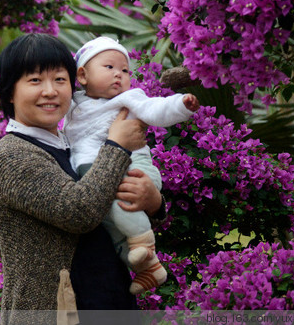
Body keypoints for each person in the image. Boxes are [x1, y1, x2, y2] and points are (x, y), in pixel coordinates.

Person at [0, 33, 165, 325]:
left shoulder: (71, 143)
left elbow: (110, 201)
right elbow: (78, 212)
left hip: (108, 299)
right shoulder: (12, 156)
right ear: (9, 91)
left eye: (59, 79)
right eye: (34, 81)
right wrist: (116, 146)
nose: (50, 91)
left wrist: (153, 201)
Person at [63, 36, 200, 295]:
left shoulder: (129, 98)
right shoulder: (73, 105)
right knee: (109, 221)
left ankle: (144, 244)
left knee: (119, 203)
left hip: (135, 164)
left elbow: (155, 108)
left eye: (124, 70)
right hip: (93, 168)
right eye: (109, 68)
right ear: (82, 75)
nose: (119, 75)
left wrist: (180, 105)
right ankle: (150, 268)